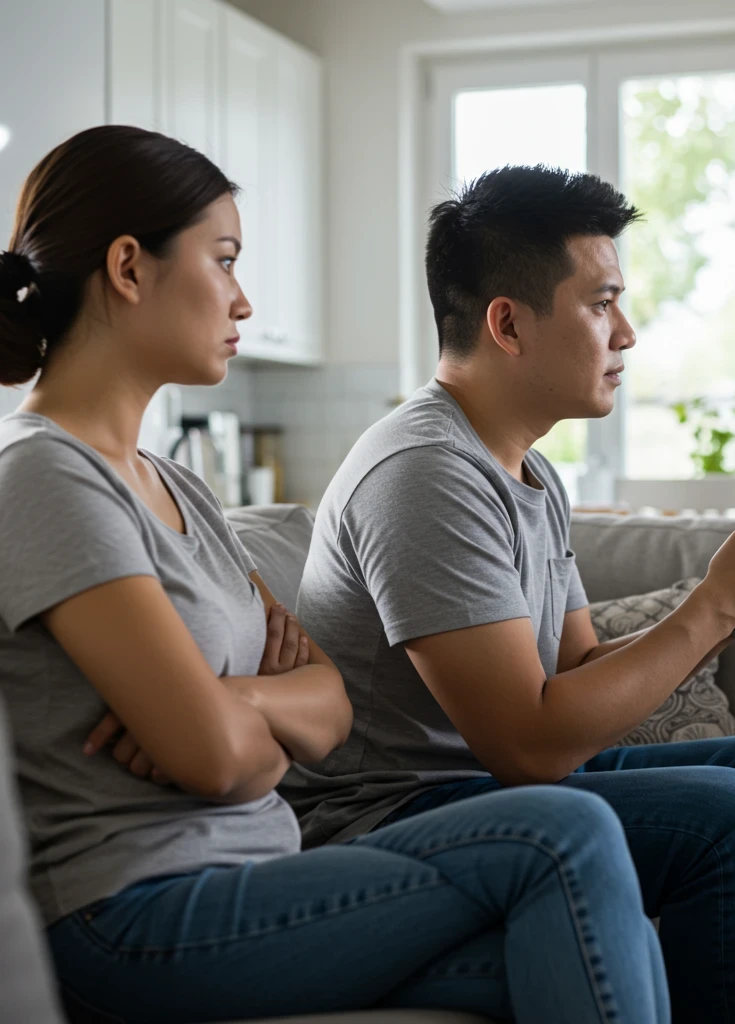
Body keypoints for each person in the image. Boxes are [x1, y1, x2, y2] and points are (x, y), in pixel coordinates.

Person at [0, 128, 670, 1024]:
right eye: (224, 259)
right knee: (565, 831)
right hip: (132, 916)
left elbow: (325, 709)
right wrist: (243, 713)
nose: (243, 300)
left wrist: (235, 703)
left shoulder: (179, 488)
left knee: (593, 939)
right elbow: (214, 759)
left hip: (265, 878)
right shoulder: (46, 476)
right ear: (129, 267)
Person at [295, 165, 735, 1024]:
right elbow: (529, 745)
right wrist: (712, 605)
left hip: (487, 784)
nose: (628, 334)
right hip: (394, 810)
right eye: (601, 304)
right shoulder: (421, 472)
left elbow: (581, 674)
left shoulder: (529, 468)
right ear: (508, 324)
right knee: (732, 815)